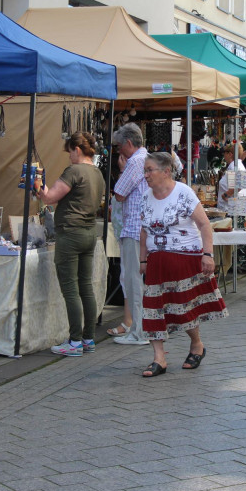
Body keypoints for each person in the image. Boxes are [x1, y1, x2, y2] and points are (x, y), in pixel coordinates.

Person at [137, 152, 227, 377]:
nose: (146, 175)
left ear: (166, 171)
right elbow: (143, 230)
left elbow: (205, 225)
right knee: (152, 310)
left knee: (184, 309)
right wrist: (143, 259)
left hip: (185, 258)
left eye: (150, 170)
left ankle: (197, 344)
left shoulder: (183, 193)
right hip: (157, 261)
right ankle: (159, 359)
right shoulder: (146, 197)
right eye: (145, 170)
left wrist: (208, 254)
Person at [37, 132, 106, 356]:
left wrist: (37, 186)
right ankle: (88, 338)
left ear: (77, 149)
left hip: (71, 233)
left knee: (70, 289)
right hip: (89, 233)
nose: (68, 157)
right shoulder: (97, 173)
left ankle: (75, 341)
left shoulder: (74, 171)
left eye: (69, 152)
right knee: (86, 287)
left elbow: (50, 198)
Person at [107, 123, 149, 346]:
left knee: (133, 281)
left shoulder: (135, 162)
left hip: (134, 229)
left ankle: (138, 332)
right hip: (138, 230)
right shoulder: (146, 158)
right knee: (134, 280)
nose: (118, 151)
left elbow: (119, 193)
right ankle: (139, 329)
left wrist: (122, 171)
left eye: (119, 146)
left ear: (128, 144)